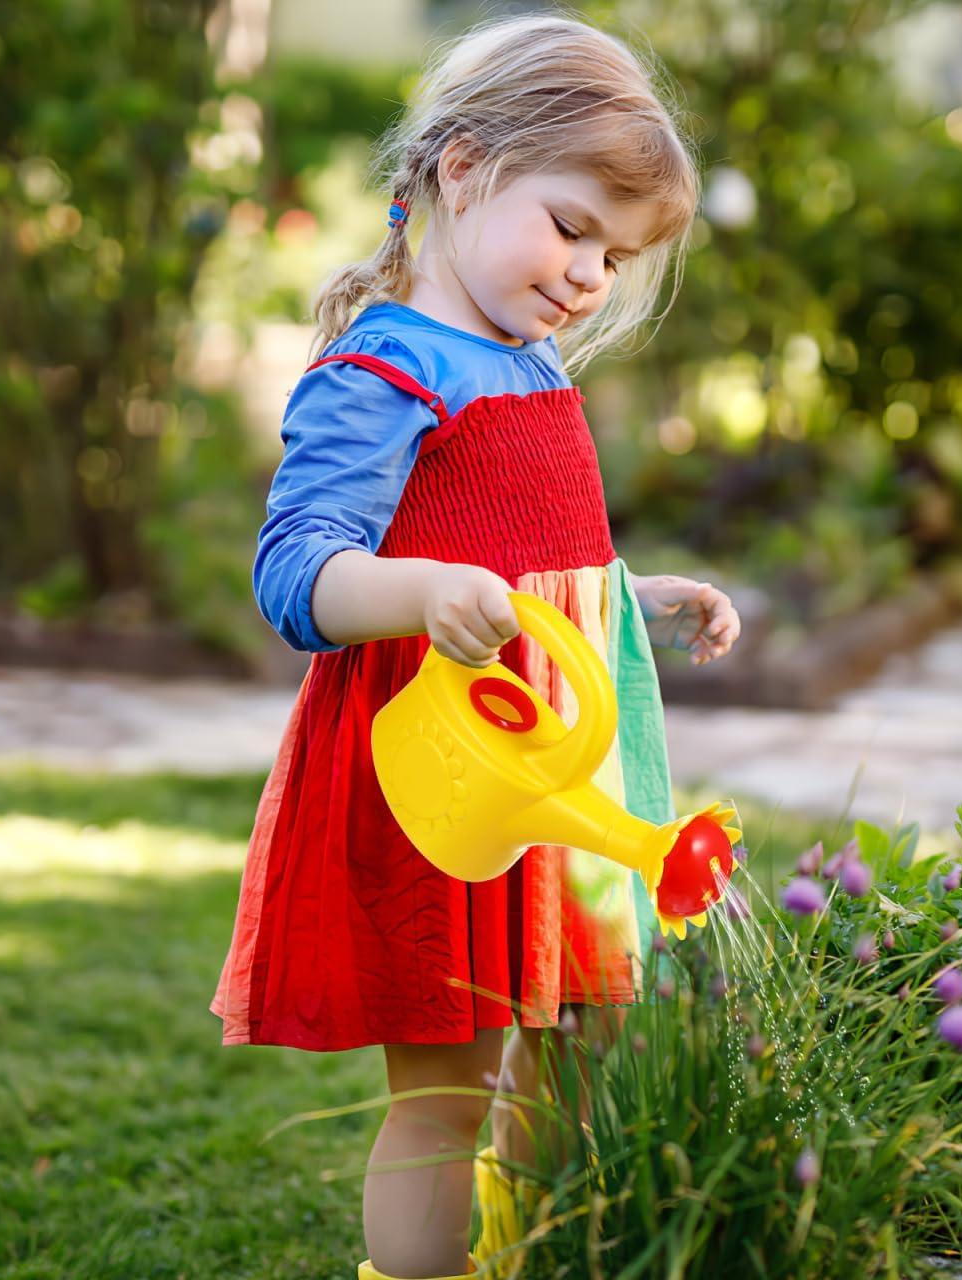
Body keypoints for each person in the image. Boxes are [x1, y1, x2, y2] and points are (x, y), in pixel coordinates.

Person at [210, 12, 741, 1279]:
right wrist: (413, 589)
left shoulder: (528, 359)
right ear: (460, 169)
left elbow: (534, 551)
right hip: (445, 781)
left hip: (557, 771)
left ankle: (529, 1262)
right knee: (447, 1094)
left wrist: (629, 590)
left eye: (610, 254)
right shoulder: (386, 369)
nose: (585, 274)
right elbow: (295, 572)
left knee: (569, 1064)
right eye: (569, 227)